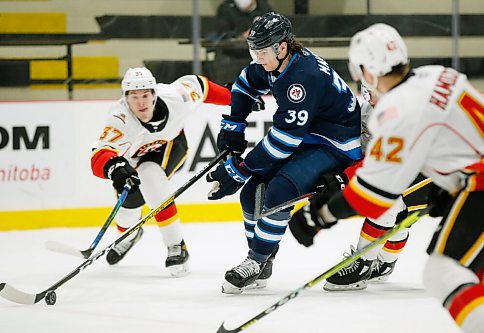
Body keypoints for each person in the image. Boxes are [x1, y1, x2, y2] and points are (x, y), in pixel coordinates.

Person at [306, 23, 483, 332]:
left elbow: (374, 196)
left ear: (370, 70)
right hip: (468, 180)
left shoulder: (397, 110)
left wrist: (321, 214)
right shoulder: (439, 74)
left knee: (441, 272)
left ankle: (367, 262)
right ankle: (379, 260)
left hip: (478, 184)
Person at [206, 12, 363, 294]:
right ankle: (262, 261)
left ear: (282, 47)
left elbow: (285, 140)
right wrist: (234, 124)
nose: (258, 59)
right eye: (254, 51)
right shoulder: (277, 61)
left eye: (263, 52)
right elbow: (245, 82)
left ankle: (256, 259)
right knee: (250, 192)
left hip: (336, 141)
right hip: (309, 134)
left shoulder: (302, 78)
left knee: (279, 191)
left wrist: (239, 169)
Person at [90, 67, 231, 277]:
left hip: (171, 145)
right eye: (134, 97)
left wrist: (235, 100)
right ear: (125, 99)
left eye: (146, 95)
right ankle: (129, 235)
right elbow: (98, 155)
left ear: (155, 95)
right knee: (128, 210)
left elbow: (202, 87)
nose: (141, 103)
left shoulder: (176, 97)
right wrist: (115, 167)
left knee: (151, 176)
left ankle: (176, 246)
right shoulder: (119, 118)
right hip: (131, 159)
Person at [289, 85, 432, 291]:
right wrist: (339, 176)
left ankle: (363, 264)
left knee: (387, 204)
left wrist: (344, 179)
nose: (370, 100)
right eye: (367, 94)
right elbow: (365, 155)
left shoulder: (404, 114)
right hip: (405, 170)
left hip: (432, 170)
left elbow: (382, 162)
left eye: (374, 94)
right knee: (398, 213)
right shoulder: (367, 111)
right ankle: (384, 264)